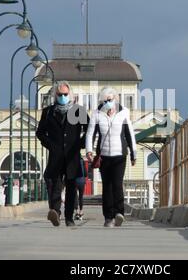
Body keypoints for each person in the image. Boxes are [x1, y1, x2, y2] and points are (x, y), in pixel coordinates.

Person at [36, 81, 89, 227]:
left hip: (72, 155)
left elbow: (89, 129)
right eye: (60, 94)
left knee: (72, 187)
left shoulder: (79, 111)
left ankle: (69, 217)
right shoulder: (48, 112)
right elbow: (40, 133)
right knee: (55, 185)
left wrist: (81, 144)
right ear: (55, 95)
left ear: (70, 94)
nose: (63, 97)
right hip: (56, 155)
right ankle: (55, 212)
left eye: (65, 94)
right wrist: (51, 145)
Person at [86, 87, 136, 227]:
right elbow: (90, 134)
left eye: (110, 99)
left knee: (117, 184)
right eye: (105, 100)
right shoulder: (96, 114)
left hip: (120, 154)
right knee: (107, 186)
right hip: (104, 156)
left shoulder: (123, 112)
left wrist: (134, 153)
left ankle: (119, 213)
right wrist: (89, 151)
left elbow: (129, 133)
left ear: (115, 99)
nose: (108, 102)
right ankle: (108, 217)